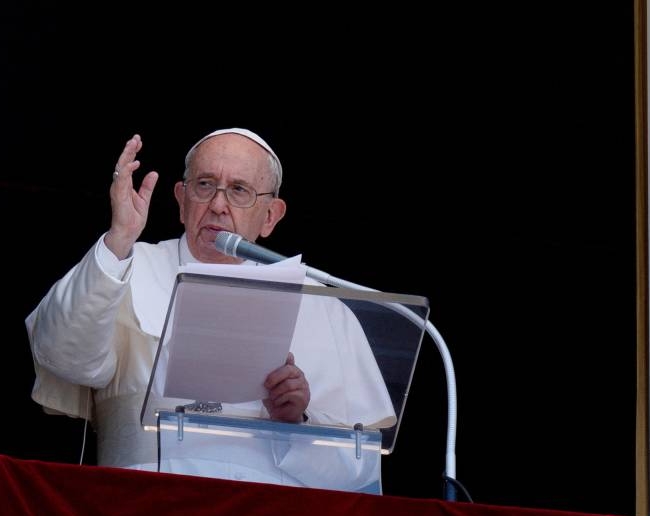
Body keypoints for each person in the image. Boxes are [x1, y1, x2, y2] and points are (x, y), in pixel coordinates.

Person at [26, 128, 395, 492]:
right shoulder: (124, 267)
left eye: (239, 190)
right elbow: (64, 357)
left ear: (270, 216)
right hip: (142, 510)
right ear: (182, 200)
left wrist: (296, 421)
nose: (218, 204)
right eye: (205, 185)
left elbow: (359, 472)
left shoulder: (322, 307)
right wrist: (119, 237)